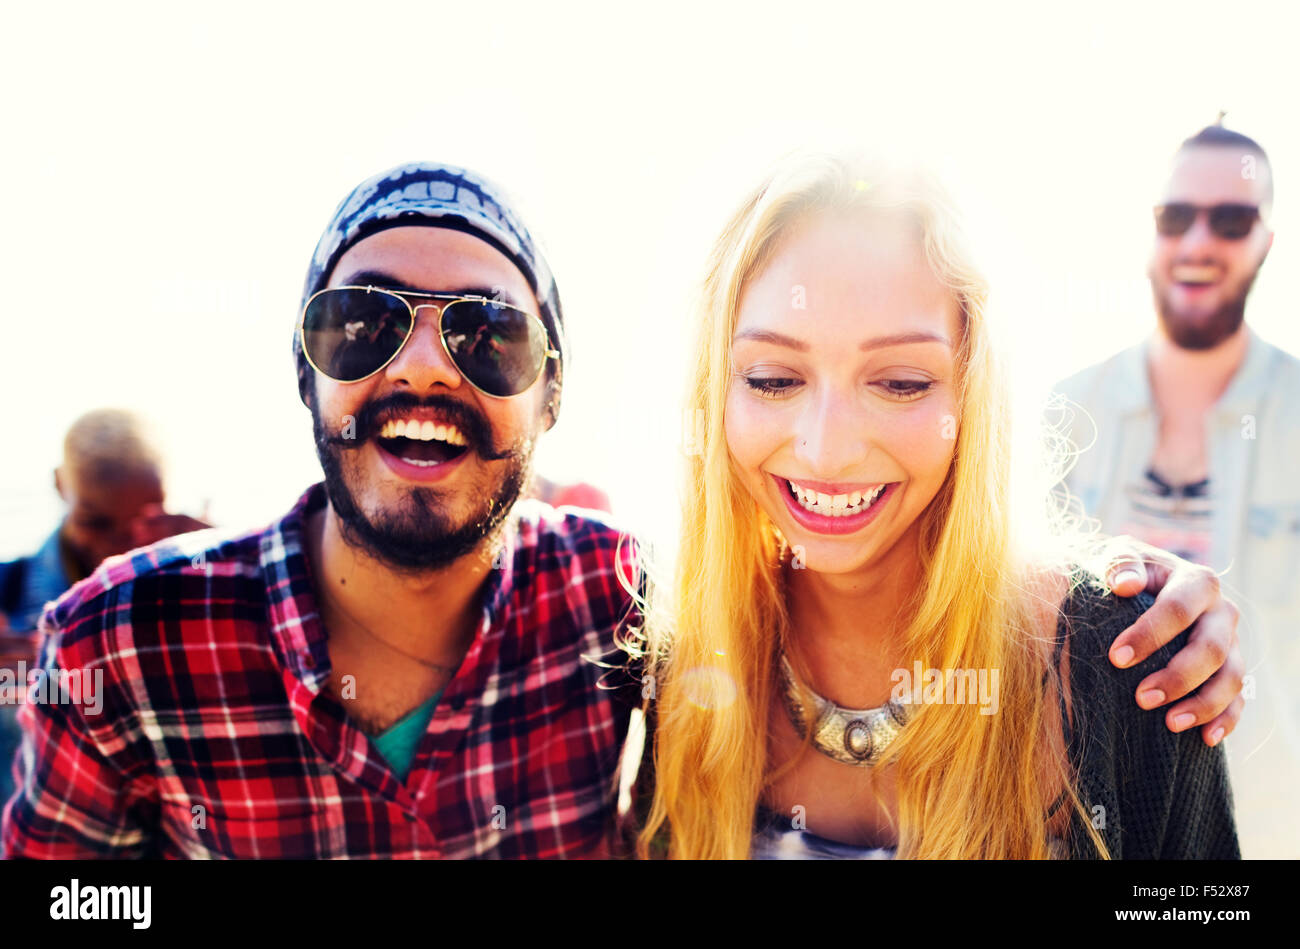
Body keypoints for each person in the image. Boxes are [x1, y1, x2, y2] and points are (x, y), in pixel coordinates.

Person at [1, 161, 1246, 860]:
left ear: (552, 401)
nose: (425, 370)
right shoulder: (118, 640)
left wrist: (1130, 600)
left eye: (490, 336)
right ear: (304, 369)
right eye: (362, 321)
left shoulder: (614, 613)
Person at [630, 153, 1240, 859]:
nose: (827, 450)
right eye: (773, 379)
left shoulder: (1135, 661)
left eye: (899, 382)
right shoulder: (680, 652)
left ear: (971, 396)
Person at [1054, 123, 1300, 858]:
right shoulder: (1059, 415)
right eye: (1176, 216)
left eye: (1231, 221)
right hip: (1093, 834)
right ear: (1149, 232)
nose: (1200, 241)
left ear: (1265, 240)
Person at [0, 408, 209, 807]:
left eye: (142, 521)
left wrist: (222, 579)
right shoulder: (6, 596)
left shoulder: (211, 583)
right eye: (96, 523)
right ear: (61, 485)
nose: (116, 546)